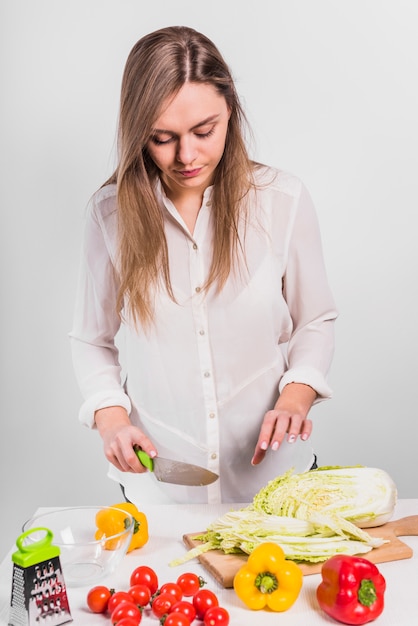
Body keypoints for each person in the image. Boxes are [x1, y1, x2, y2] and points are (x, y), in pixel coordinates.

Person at [69, 25, 338, 505]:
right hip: (161, 492)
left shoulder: (283, 200)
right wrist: (112, 419)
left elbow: (314, 320)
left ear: (230, 110)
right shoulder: (108, 217)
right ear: (137, 133)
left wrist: (296, 395)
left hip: (277, 485)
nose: (187, 156)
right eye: (162, 138)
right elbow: (92, 339)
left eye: (203, 131)